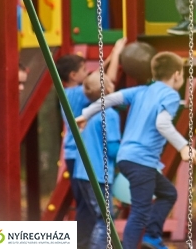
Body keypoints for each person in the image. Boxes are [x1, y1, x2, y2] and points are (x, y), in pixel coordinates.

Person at [78, 51, 196, 249]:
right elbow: (162, 123)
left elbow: (109, 99)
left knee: (168, 193)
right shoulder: (170, 94)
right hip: (141, 160)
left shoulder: (143, 90)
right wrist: (183, 146)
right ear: (178, 75)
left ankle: (152, 238)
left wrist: (86, 114)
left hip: (128, 158)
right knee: (140, 211)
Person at [58, 39, 125, 248]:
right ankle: (84, 243)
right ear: (73, 76)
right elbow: (106, 80)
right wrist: (117, 52)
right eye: (84, 70)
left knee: (89, 208)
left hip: (79, 156)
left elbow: (97, 81)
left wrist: (110, 57)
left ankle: (85, 242)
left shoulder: (72, 91)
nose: (88, 73)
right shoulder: (77, 94)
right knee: (91, 211)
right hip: (81, 155)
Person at [73, 73, 121, 249]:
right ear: (108, 89)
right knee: (105, 221)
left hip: (83, 173)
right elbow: (113, 148)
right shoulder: (110, 114)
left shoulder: (89, 113)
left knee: (99, 218)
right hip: (98, 174)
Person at [0, 64, 28, 219]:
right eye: (18, 83)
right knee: (1, 210)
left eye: (23, 83)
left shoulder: (9, 103)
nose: (22, 88)